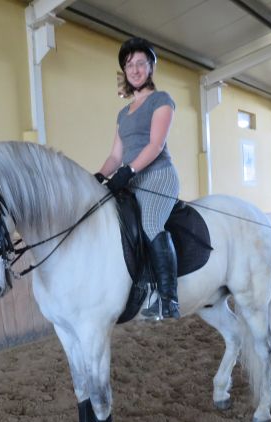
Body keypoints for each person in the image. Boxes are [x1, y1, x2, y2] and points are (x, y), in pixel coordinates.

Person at [95, 37, 181, 320]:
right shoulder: (122, 113)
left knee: (151, 223)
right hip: (131, 180)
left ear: (150, 67)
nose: (134, 69)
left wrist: (128, 171)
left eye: (140, 63)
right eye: (129, 64)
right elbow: (114, 157)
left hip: (158, 176)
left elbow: (155, 145)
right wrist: (97, 177)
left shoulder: (161, 100)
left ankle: (168, 297)